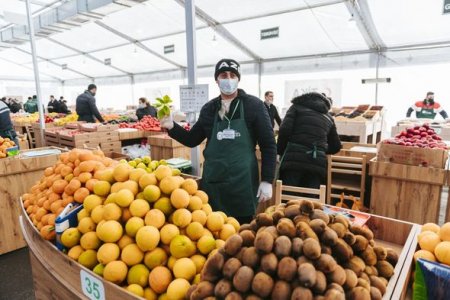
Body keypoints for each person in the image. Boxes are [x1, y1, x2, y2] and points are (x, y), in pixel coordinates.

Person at [160, 59, 276, 224]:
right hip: (214, 181)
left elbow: (269, 144)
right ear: (217, 79)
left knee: (240, 232)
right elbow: (192, 139)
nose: (228, 78)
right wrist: (172, 127)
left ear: (238, 78)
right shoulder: (210, 108)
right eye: (223, 75)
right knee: (213, 229)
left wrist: (267, 179)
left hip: (242, 182)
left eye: (232, 75)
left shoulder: (253, 105)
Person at [277, 92, 342, 189]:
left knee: (288, 197)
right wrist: (321, 148)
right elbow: (336, 146)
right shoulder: (328, 117)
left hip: (293, 161)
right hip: (317, 165)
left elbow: (284, 131)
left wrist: (279, 151)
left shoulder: (296, 107)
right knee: (311, 200)